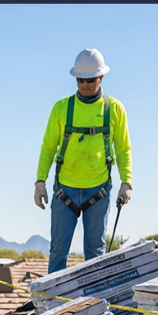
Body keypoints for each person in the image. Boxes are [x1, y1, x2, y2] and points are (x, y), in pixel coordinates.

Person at [34, 48, 133, 274]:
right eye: (80, 80)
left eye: (89, 80)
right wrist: (40, 182)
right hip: (64, 190)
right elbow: (48, 147)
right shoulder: (62, 108)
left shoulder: (114, 109)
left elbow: (123, 148)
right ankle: (50, 302)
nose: (84, 85)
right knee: (58, 250)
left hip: (97, 191)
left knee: (95, 253)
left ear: (101, 78)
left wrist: (127, 183)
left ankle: (95, 302)